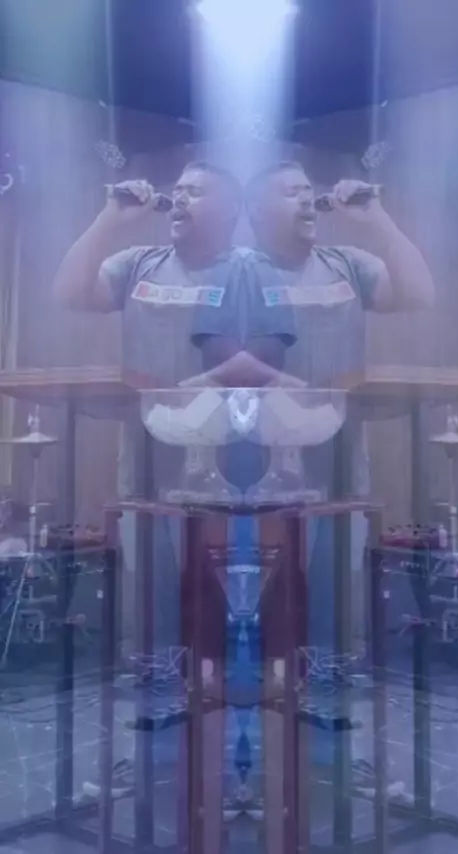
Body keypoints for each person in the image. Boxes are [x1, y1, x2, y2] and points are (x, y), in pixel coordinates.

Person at [53, 161, 299, 811]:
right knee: (153, 610)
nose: (178, 197)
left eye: (194, 190)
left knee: (238, 615)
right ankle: (150, 757)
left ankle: (261, 761)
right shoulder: (139, 262)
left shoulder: (250, 272)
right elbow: (70, 293)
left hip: (237, 458)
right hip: (148, 460)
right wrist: (111, 216)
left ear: (229, 207)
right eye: (178, 188)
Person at [244, 160, 435, 801]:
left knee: (331, 612)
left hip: (337, 465)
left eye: (310, 190)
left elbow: (418, 294)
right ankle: (250, 760)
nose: (307, 199)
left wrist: (374, 217)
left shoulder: (346, 264)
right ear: (257, 206)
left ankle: (337, 757)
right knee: (249, 616)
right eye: (291, 191)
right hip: (248, 464)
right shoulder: (238, 271)